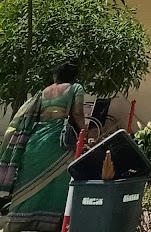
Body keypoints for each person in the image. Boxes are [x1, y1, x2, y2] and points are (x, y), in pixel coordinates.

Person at [0, 64, 86, 231]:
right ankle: (50, 223)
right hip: (57, 142)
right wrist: (84, 131)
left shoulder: (43, 92)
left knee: (27, 182)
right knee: (60, 181)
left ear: (57, 75)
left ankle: (19, 222)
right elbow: (77, 112)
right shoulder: (76, 88)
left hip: (36, 139)